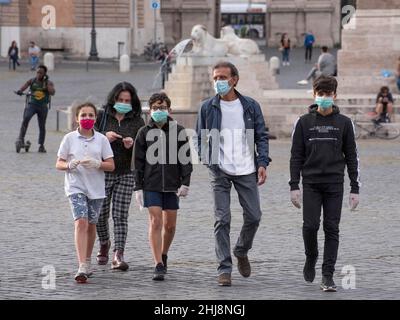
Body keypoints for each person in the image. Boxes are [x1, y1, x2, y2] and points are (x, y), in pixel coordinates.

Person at [196, 61, 270, 286]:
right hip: (220, 170)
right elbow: (200, 137)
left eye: (223, 77)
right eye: (215, 77)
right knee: (222, 218)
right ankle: (224, 268)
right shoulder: (207, 107)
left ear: (234, 79)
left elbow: (261, 136)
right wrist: (208, 160)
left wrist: (262, 162)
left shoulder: (250, 106)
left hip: (247, 168)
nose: (218, 81)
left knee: (254, 216)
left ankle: (241, 249)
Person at [289, 75, 360, 292]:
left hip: (334, 184)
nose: (324, 98)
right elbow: (296, 156)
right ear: (314, 95)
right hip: (311, 183)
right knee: (310, 226)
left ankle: (327, 275)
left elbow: (352, 156)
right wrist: (294, 185)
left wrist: (354, 188)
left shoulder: (345, 123)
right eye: (320, 94)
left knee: (332, 228)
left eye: (328, 94)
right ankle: (311, 256)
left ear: (335, 95)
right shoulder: (303, 122)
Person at [133, 92, 193, 281]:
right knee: (156, 221)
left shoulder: (179, 131)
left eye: (163, 108)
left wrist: (185, 182)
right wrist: (138, 187)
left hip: (172, 185)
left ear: (169, 110)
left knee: (170, 226)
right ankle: (158, 263)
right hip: (151, 184)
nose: (159, 111)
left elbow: (185, 159)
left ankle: (164, 253)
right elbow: (138, 161)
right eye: (156, 108)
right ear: (149, 111)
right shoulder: (143, 133)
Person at [56, 102, 115, 283]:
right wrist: (68, 165)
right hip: (75, 186)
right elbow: (59, 163)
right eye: (83, 115)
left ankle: (88, 260)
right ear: (77, 118)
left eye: (90, 115)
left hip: (96, 189)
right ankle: (81, 265)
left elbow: (111, 165)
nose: (87, 118)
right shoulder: (69, 139)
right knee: (81, 222)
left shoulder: (102, 140)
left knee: (91, 225)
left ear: (95, 118)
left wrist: (98, 164)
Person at [94, 82, 145, 271]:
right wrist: (103, 137)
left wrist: (133, 144)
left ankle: (118, 253)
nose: (123, 103)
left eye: (127, 100)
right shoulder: (102, 116)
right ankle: (104, 242)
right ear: (114, 99)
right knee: (100, 214)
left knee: (120, 215)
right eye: (120, 100)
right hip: (103, 171)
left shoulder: (137, 120)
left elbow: (144, 146)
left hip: (126, 173)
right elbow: (89, 137)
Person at [15, 64, 55, 153]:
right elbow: (25, 85)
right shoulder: (32, 80)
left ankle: (41, 145)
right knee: (26, 118)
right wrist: (20, 91)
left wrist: (46, 84)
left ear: (44, 74)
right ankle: (21, 138)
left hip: (43, 107)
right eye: (37, 72)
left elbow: (52, 92)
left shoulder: (48, 82)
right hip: (32, 104)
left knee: (42, 126)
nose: (38, 74)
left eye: (41, 73)